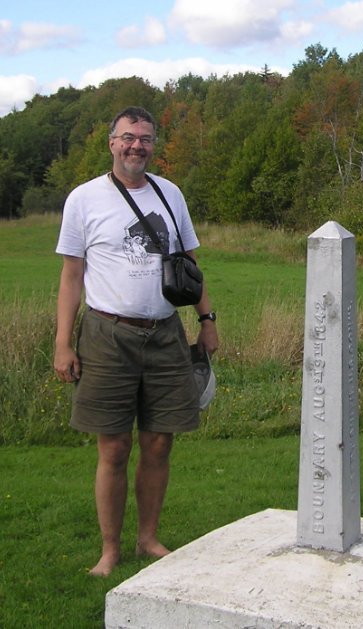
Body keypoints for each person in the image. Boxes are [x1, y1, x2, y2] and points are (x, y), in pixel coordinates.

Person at [54, 106, 219, 577]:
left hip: (166, 334)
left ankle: (148, 538)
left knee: (159, 443)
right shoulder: (84, 199)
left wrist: (206, 320)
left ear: (153, 145)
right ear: (111, 143)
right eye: (127, 137)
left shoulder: (170, 194)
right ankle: (110, 550)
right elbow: (71, 276)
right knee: (113, 448)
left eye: (145, 138)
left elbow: (191, 264)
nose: (136, 146)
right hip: (107, 337)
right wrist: (63, 343)